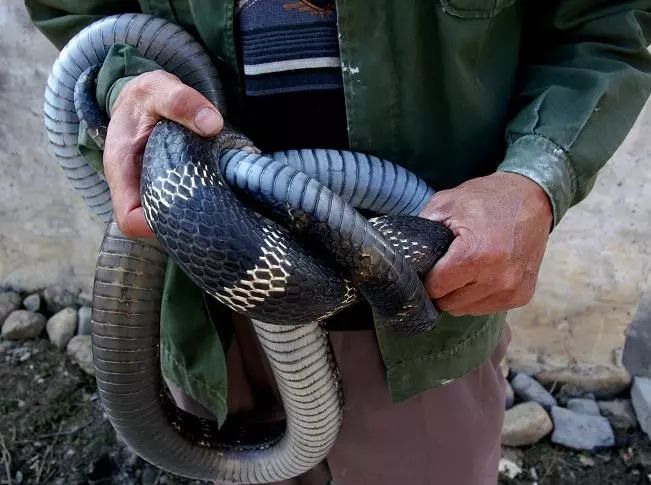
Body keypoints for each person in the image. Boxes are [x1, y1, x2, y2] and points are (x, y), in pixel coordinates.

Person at [26, 1, 651, 483]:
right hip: (205, 305)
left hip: (424, 321)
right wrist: (124, 82)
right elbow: (79, 11)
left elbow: (605, 22)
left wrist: (535, 181)